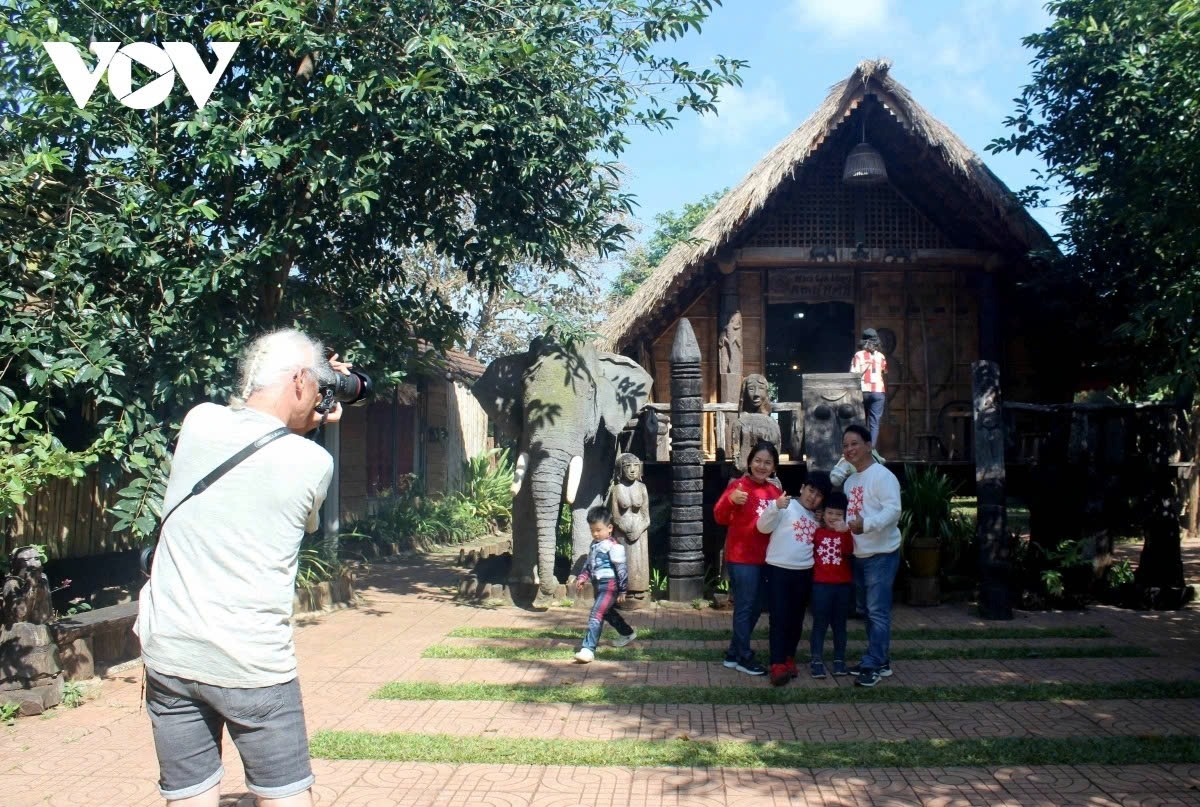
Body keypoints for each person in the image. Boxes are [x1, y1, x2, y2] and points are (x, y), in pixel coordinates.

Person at [136, 329, 351, 807]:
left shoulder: (198, 422)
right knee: (284, 796)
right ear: (299, 380)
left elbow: (254, 433)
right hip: (252, 664)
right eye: (316, 387)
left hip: (170, 653)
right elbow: (298, 494)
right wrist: (317, 421)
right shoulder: (312, 462)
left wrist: (310, 397)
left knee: (190, 795)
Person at [713, 439, 782, 676]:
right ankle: (744, 656)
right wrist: (731, 502)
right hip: (742, 558)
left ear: (774, 467)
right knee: (745, 607)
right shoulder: (738, 486)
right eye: (758, 461)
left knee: (754, 608)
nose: (762, 466)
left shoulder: (775, 491)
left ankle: (734, 653)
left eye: (767, 463)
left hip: (768, 559)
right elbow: (719, 517)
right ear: (749, 462)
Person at [841, 425, 902, 688]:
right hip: (859, 554)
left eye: (854, 443)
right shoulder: (850, 481)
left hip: (881, 553)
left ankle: (874, 662)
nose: (850, 449)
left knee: (876, 611)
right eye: (845, 446)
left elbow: (893, 512)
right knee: (866, 610)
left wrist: (866, 525)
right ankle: (880, 660)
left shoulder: (883, 476)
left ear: (868, 445)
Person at [756, 474, 829, 686]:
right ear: (802, 487)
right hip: (778, 569)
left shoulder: (816, 518)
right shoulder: (785, 505)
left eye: (819, 495)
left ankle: (789, 657)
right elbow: (762, 527)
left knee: (796, 619)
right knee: (779, 617)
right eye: (811, 490)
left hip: (804, 572)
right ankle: (777, 663)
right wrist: (774, 507)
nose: (813, 497)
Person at [573, 506, 637, 663]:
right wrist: (582, 577)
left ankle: (588, 649)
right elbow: (589, 564)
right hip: (598, 586)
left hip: (610, 586)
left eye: (598, 530)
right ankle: (627, 633)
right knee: (607, 612)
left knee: (596, 614)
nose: (595, 533)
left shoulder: (613, 547)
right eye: (592, 530)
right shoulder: (594, 546)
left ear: (609, 528)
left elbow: (621, 570)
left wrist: (622, 591)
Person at [808, 490, 855, 679]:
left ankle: (839, 660)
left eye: (838, 514)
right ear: (823, 513)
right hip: (820, 585)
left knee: (839, 625)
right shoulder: (817, 532)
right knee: (819, 623)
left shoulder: (847, 533)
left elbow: (848, 551)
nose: (833, 518)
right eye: (830, 513)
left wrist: (844, 532)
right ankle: (816, 659)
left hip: (842, 586)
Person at [850, 328, 888, 446]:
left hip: (863, 391)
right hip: (878, 392)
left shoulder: (858, 355)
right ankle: (871, 450)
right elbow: (884, 371)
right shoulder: (881, 356)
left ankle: (860, 449)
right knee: (874, 423)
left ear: (863, 341)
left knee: (861, 421)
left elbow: (853, 374)